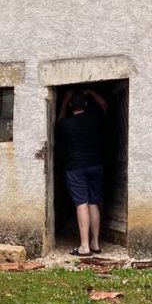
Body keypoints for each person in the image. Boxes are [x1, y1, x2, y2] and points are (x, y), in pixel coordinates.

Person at [57, 88, 108, 256]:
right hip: (96, 165)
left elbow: (59, 120)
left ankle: (84, 246)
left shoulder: (66, 124)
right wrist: (92, 91)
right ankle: (95, 243)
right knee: (93, 203)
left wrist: (65, 101)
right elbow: (104, 105)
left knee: (81, 204)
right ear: (86, 103)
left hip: (75, 167)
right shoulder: (94, 117)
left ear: (72, 105)